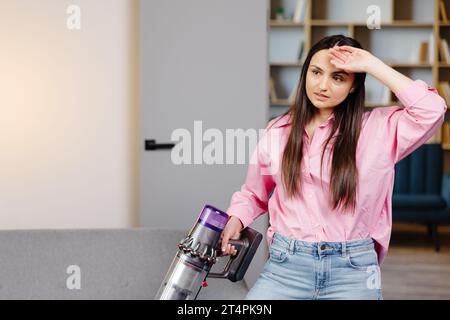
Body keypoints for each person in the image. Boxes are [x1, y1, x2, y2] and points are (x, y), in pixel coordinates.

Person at [219, 34, 447, 300]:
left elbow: (432, 109)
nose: (322, 85)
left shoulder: (379, 130)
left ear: (353, 85)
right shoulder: (278, 131)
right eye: (316, 72)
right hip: (285, 268)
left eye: (338, 77)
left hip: (353, 271)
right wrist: (235, 219)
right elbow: (253, 193)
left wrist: (372, 64)